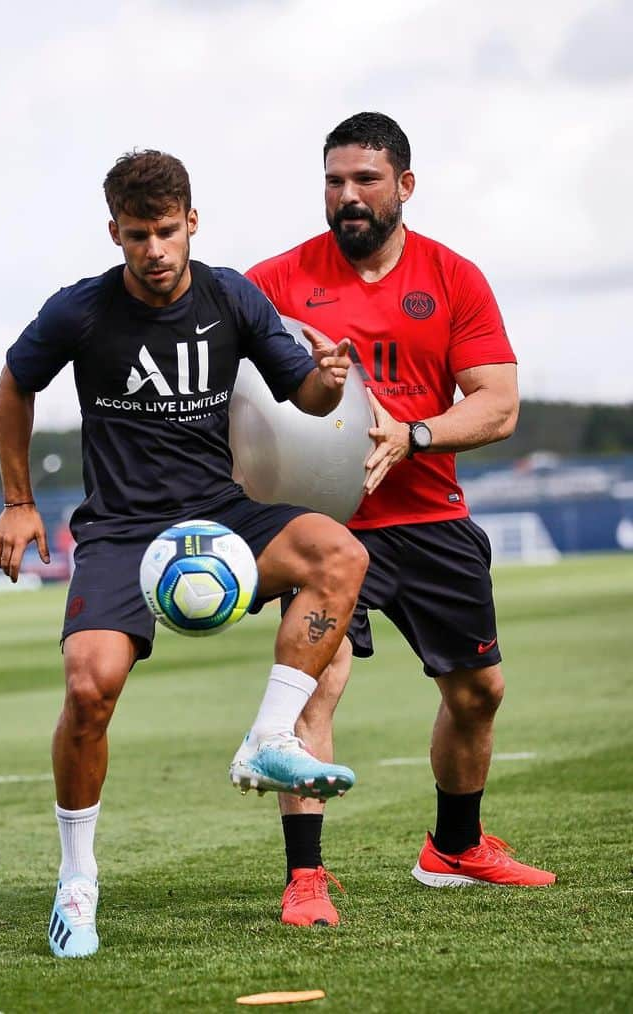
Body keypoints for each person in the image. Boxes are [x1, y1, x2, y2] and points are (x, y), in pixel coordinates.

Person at [0, 149, 369, 958]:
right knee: (90, 688)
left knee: (338, 556)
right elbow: (15, 381)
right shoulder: (81, 311)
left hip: (222, 519)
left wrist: (331, 384)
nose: (154, 250)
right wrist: (19, 502)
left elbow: (304, 391)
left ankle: (269, 738)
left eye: (166, 231)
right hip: (122, 532)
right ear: (115, 233)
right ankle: (77, 880)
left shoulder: (231, 293)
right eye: (136, 235)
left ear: (192, 222)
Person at [247, 111, 555, 928]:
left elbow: (498, 404)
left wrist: (413, 435)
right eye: (333, 181)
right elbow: (223, 390)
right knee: (317, 685)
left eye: (365, 180)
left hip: (429, 514)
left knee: (478, 691)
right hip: (326, 530)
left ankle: (454, 849)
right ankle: (305, 879)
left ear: (404, 186)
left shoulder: (453, 277)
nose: (347, 197)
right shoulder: (273, 283)